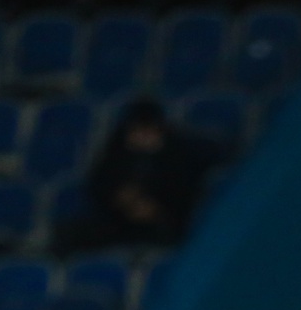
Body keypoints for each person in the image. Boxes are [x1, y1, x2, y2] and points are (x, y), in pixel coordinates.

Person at [66, 100, 213, 250]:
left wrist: (155, 208)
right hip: (119, 220)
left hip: (166, 222)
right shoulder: (116, 155)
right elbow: (100, 184)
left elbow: (185, 190)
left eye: (148, 130)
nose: (142, 136)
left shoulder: (179, 157)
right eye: (137, 130)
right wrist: (119, 198)